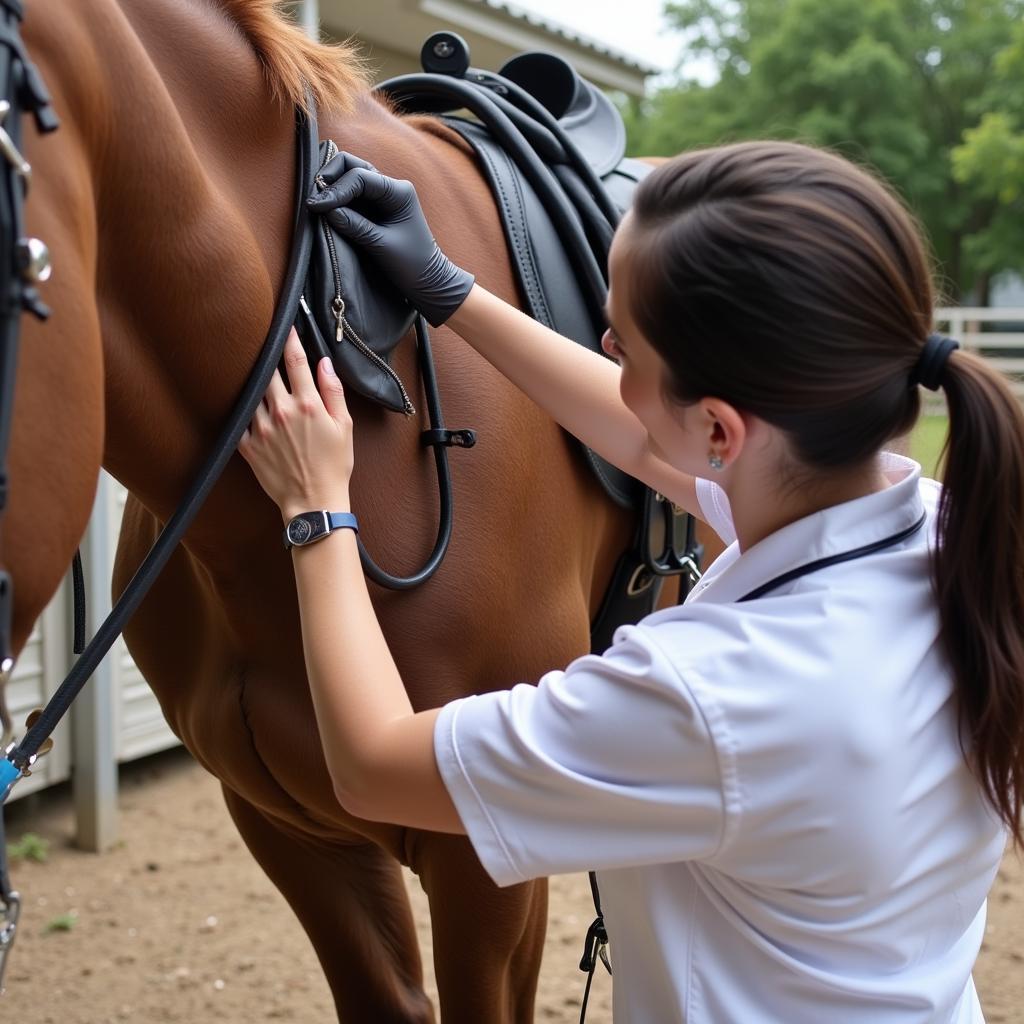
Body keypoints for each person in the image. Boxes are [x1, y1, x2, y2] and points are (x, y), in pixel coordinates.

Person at [237, 140, 1023, 1022]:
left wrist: (316, 509)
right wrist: (451, 292)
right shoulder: (937, 526)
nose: (604, 345)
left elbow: (374, 768)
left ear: (722, 430)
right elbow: (644, 437)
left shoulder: (714, 696)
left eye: (625, 341)